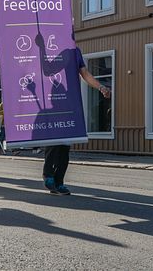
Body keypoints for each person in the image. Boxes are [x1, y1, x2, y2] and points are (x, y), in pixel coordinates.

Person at [36, 33, 111, 195]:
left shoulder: (75, 51)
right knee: (55, 141)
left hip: (71, 102)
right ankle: (48, 175)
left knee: (65, 146)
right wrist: (42, 47)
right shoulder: (59, 51)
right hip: (56, 100)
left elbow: (85, 74)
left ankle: (59, 180)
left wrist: (101, 87)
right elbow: (48, 69)